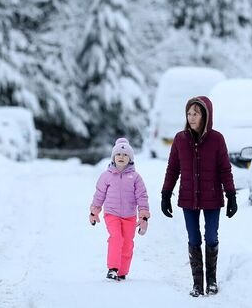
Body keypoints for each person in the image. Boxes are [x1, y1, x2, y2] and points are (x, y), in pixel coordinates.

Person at [160, 95, 237, 297]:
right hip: (188, 198)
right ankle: (197, 283)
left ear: (205, 115)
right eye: (189, 113)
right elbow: (172, 169)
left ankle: (211, 281)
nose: (191, 117)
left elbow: (225, 169)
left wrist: (231, 195)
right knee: (193, 238)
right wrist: (166, 193)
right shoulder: (180, 139)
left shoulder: (217, 139)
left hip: (212, 197)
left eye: (196, 113)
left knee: (211, 237)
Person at [90, 137, 150, 281]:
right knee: (116, 238)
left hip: (129, 216)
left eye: (125, 155)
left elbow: (142, 196)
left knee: (128, 242)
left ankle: (122, 271)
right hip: (112, 214)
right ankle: (113, 268)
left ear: (130, 158)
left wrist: (143, 215)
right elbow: (99, 194)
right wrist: (94, 211)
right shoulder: (106, 176)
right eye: (118, 154)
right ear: (113, 157)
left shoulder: (135, 178)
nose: (121, 157)